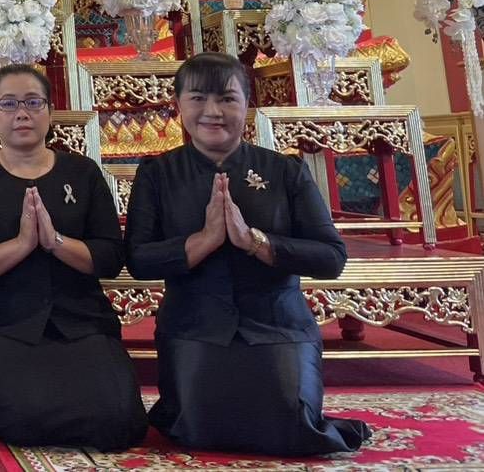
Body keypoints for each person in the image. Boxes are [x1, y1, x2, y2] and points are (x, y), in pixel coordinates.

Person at [125, 52, 371, 456]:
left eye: (227, 99)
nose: (212, 111)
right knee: (195, 430)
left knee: (293, 426)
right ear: (178, 106)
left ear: (247, 105)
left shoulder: (284, 170)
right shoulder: (157, 173)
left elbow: (331, 257)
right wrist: (202, 241)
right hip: (195, 324)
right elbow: (138, 260)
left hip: (276, 323)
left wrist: (257, 241)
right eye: (197, 99)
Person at [0, 64, 146, 450]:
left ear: (50, 112)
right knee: (22, 422)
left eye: (33, 102)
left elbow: (108, 256)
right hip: (8, 323)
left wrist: (55, 241)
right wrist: (21, 244)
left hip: (81, 320)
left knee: (119, 424)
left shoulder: (82, 172)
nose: (22, 113)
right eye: (8, 104)